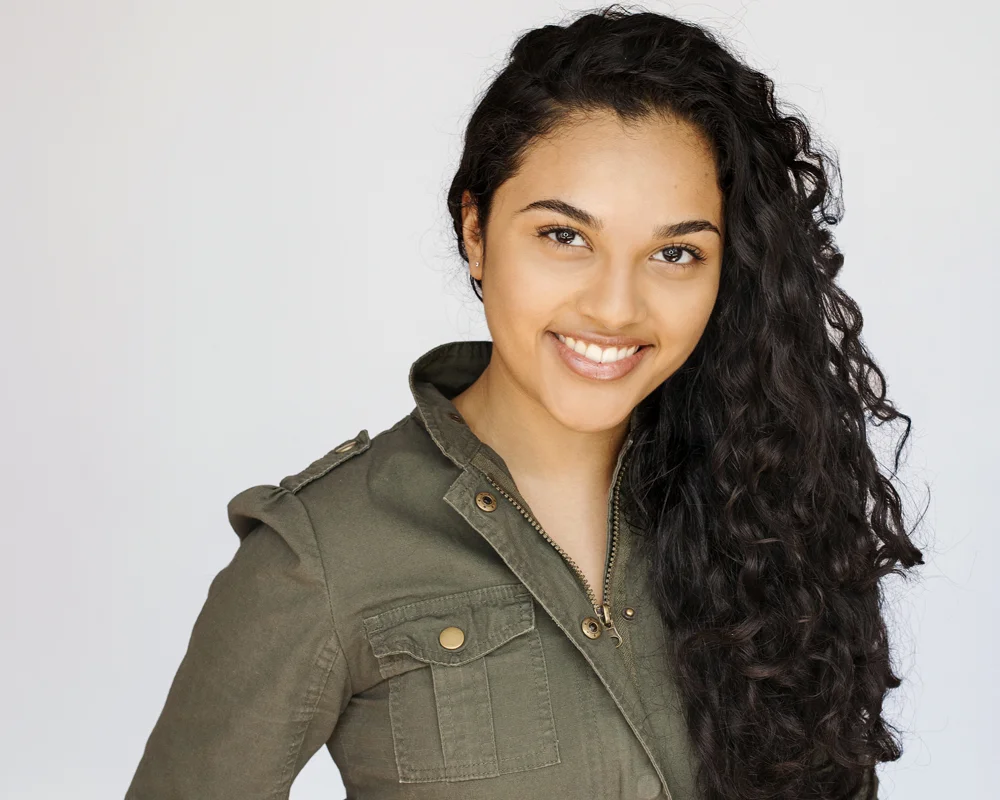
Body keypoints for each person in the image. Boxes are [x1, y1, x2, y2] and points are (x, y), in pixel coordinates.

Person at [125, 6, 924, 799]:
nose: (615, 308)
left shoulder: (768, 514)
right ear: (475, 228)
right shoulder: (319, 556)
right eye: (564, 236)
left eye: (675, 253)